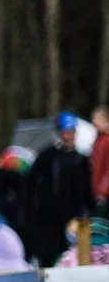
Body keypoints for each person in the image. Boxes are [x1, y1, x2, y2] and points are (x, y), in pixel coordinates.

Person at [26, 113, 92, 268]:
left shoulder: (80, 159)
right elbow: (31, 182)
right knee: (50, 255)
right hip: (50, 217)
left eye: (72, 131)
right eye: (66, 131)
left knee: (76, 256)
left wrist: (87, 209)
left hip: (74, 216)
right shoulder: (48, 156)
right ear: (60, 133)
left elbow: (86, 187)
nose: (70, 135)